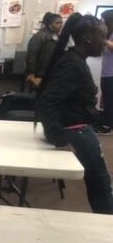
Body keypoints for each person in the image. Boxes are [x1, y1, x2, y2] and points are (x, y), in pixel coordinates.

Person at [36, 13, 113, 214]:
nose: (106, 43)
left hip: (79, 127)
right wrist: (57, 136)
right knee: (101, 183)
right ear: (88, 37)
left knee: (100, 182)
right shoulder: (73, 63)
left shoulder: (74, 59)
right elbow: (47, 101)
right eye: (103, 37)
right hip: (76, 131)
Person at [25, 12, 63, 91]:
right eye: (57, 23)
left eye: (61, 23)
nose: (60, 25)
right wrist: (32, 72)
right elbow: (31, 55)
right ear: (50, 24)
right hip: (40, 73)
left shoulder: (56, 36)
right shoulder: (39, 37)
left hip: (51, 72)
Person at [100, 9, 113, 133]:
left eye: (103, 19)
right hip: (106, 72)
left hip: (112, 74)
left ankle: (109, 126)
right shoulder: (109, 34)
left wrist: (101, 38)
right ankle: (106, 123)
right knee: (106, 100)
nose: (102, 21)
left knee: (110, 100)